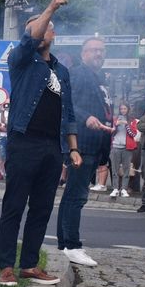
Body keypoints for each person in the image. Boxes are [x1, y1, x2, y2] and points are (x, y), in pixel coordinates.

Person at [0, 0, 80, 287]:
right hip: (24, 142)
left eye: (45, 26)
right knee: (14, 205)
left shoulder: (62, 71)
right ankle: (6, 266)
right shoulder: (21, 60)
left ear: (53, 35)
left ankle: (30, 265)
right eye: (35, 26)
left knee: (42, 207)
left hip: (52, 147)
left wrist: (72, 148)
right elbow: (29, 39)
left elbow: (68, 111)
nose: (40, 30)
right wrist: (51, 7)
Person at [57, 37, 112, 267]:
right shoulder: (79, 74)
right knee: (76, 196)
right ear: (83, 54)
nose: (98, 54)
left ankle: (64, 243)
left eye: (101, 50)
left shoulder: (98, 78)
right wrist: (86, 117)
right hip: (81, 145)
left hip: (92, 145)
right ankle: (72, 245)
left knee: (73, 194)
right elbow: (66, 103)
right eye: (93, 50)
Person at [109, 103, 135, 198]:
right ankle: (115, 188)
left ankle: (124, 189)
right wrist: (116, 125)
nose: (123, 110)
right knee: (114, 169)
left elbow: (133, 134)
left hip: (126, 148)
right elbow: (111, 132)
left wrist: (127, 124)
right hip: (115, 146)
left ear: (128, 109)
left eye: (125, 108)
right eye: (121, 109)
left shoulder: (132, 120)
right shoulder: (115, 119)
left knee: (126, 170)